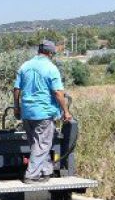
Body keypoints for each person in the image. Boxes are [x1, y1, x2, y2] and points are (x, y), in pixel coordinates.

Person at [13, 40, 73, 184]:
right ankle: (31, 175)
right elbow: (58, 93)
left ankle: (46, 172)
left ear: (39, 50)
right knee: (43, 144)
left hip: (27, 112)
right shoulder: (51, 68)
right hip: (44, 112)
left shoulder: (25, 66)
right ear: (50, 53)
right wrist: (66, 111)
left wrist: (17, 107)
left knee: (37, 144)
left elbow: (16, 89)